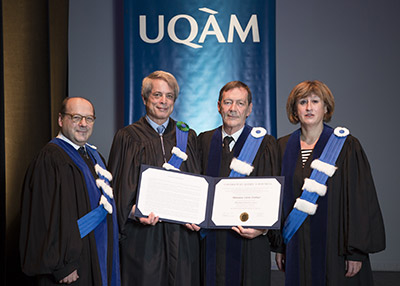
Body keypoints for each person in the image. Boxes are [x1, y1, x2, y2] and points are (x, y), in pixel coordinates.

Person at [275, 80, 385, 286]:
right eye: (302, 102)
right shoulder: (283, 146)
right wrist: (281, 246)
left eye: (315, 101)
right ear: (294, 109)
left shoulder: (346, 146)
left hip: (335, 247)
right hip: (297, 245)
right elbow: (279, 201)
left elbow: (359, 200)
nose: (309, 107)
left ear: (326, 108)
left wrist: (356, 252)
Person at [108, 70, 201, 286]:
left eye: (169, 96)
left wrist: (197, 214)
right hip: (143, 240)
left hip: (182, 237)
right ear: (145, 98)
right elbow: (117, 190)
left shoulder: (187, 135)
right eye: (157, 95)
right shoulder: (128, 137)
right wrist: (133, 212)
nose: (163, 101)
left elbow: (197, 182)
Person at [19, 97, 120, 285]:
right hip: (71, 267)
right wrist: (63, 265)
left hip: (93, 258)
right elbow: (45, 216)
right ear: (60, 120)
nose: (83, 124)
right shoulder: (51, 158)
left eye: (89, 119)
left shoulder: (93, 156)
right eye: (76, 117)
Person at [197, 81, 279, 286]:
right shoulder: (204, 141)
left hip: (249, 243)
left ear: (249, 109)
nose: (233, 109)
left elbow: (273, 195)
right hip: (211, 244)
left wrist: (262, 228)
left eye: (240, 103)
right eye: (228, 102)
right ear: (218, 106)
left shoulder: (264, 144)